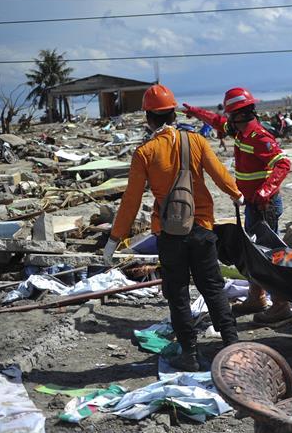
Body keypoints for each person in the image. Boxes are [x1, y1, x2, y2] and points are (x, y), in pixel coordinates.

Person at [104, 84, 243, 371]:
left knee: (177, 292)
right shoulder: (196, 141)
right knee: (213, 287)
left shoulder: (144, 152)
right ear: (172, 113)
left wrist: (114, 239)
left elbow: (130, 201)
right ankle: (232, 346)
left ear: (149, 118)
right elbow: (220, 174)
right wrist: (236, 194)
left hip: (169, 234)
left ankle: (190, 354)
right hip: (203, 227)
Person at [183, 88, 292, 326]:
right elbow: (216, 121)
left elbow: (283, 163)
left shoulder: (259, 137)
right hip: (253, 204)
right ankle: (257, 297)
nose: (228, 119)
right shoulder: (242, 134)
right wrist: (194, 111)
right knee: (253, 252)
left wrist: (265, 192)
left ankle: (282, 305)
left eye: (231, 114)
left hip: (264, 205)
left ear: (240, 115)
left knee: (270, 254)